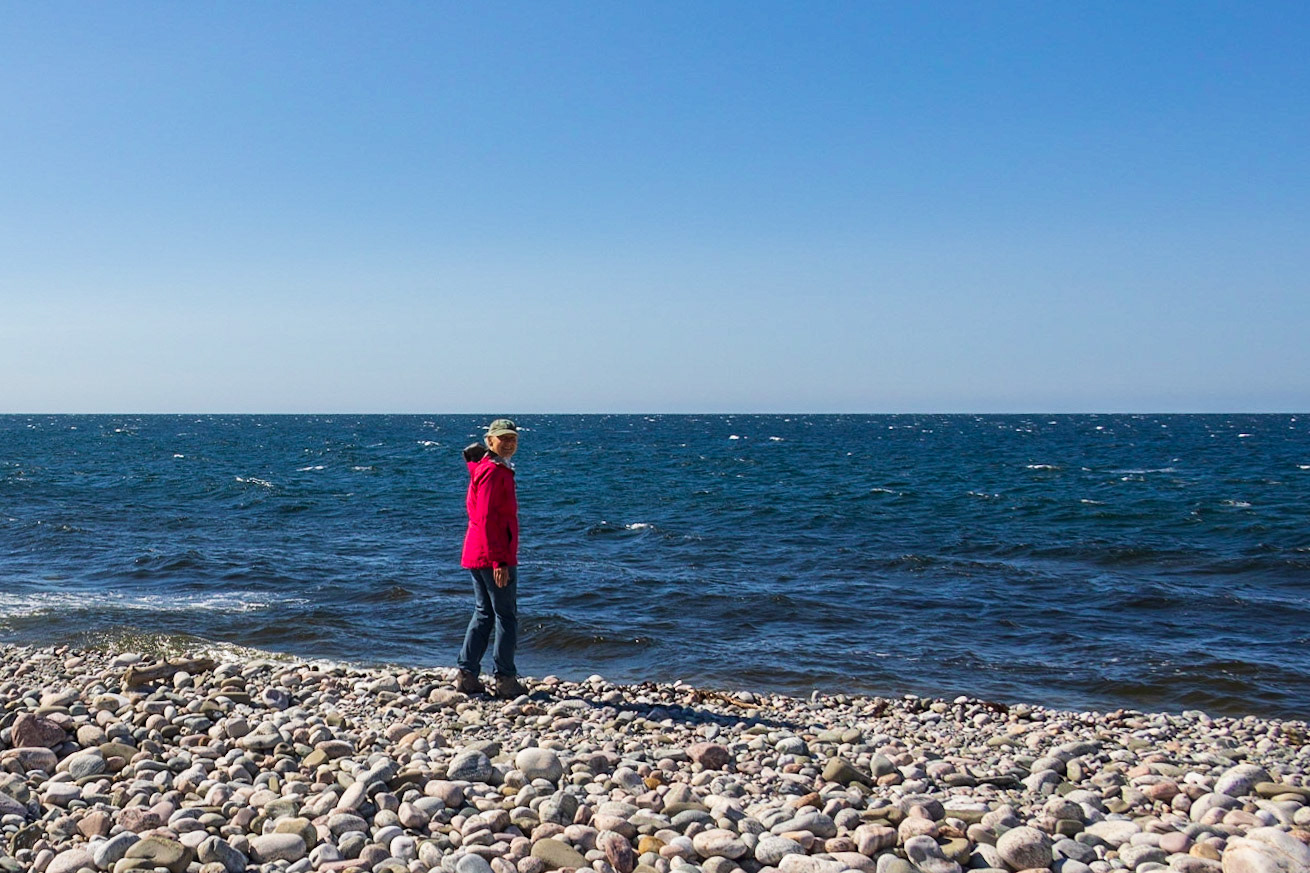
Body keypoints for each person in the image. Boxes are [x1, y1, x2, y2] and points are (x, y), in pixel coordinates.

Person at [455, 418, 526, 698]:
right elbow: (486, 518)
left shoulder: (486, 468)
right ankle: (505, 678)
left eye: (513, 439)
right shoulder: (494, 472)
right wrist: (499, 561)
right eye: (502, 439)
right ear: (489, 441)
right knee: (505, 616)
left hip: (477, 550)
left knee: (484, 613)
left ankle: (467, 673)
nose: (508, 444)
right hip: (491, 553)